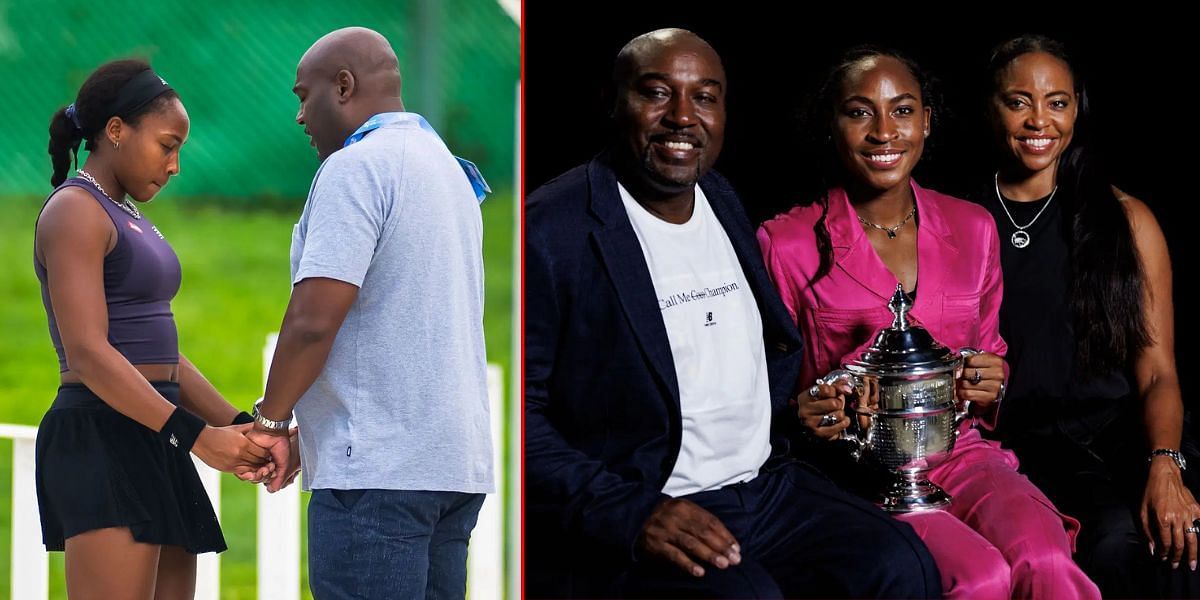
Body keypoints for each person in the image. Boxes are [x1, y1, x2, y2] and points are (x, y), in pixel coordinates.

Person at [526, 28, 941, 599]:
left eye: (704, 96)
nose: (681, 116)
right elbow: (517, 420)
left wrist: (798, 413)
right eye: (655, 93)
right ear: (612, 103)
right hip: (654, 500)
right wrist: (632, 512)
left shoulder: (719, 197)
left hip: (765, 488)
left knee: (903, 565)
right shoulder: (553, 229)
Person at [757, 45, 1100, 599]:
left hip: (959, 448)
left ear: (927, 121)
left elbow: (991, 357)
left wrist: (993, 379)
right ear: (832, 124)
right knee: (978, 577)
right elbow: (769, 395)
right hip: (856, 469)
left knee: (1044, 559)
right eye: (860, 111)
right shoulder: (786, 243)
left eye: (903, 110)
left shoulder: (973, 227)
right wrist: (803, 414)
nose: (884, 132)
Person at [249, 27, 494, 599]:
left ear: (343, 86)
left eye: (302, 96)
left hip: (377, 474)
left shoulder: (357, 167)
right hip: (453, 469)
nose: (299, 117)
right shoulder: (451, 171)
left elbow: (314, 318)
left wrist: (272, 421)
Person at [35, 58, 275, 599]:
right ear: (116, 131)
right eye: (167, 146)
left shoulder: (127, 214)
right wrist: (195, 437)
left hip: (154, 430)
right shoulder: (75, 211)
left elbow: (163, 358)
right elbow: (90, 355)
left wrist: (241, 424)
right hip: (102, 435)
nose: (175, 166)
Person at [975, 34, 1200, 598]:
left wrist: (1165, 463)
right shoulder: (958, 219)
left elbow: (1158, 371)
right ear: (991, 107)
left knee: (1146, 537)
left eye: (1057, 101)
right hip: (1007, 451)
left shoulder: (1125, 218)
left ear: (1078, 109)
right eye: (1018, 100)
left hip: (1115, 443)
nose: (1038, 120)